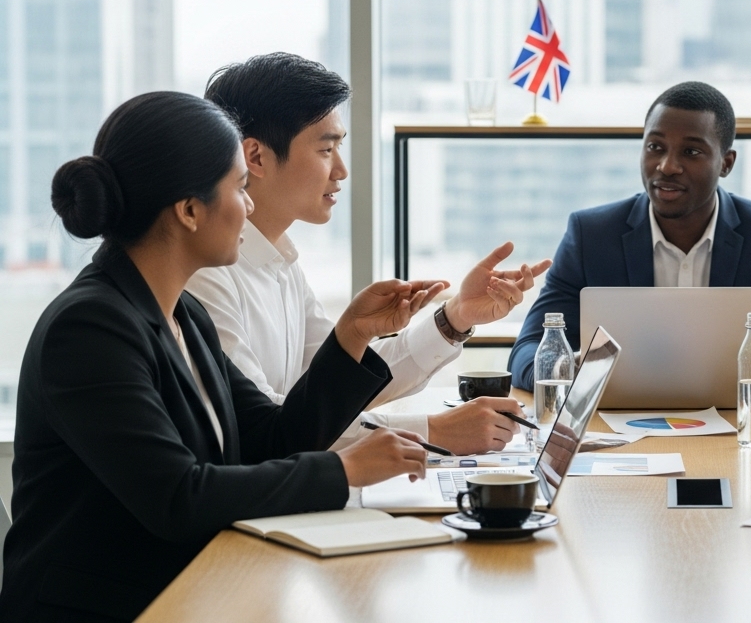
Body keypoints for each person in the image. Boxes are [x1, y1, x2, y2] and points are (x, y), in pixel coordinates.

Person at [0, 93, 438, 622]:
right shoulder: (89, 329)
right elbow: (178, 497)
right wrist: (342, 470)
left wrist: (352, 335)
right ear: (188, 210)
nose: (250, 206)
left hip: (196, 589)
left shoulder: (184, 314)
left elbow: (272, 438)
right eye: (239, 187)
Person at [188, 53, 549, 455]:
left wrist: (455, 318)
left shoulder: (280, 263)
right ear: (255, 157)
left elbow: (340, 388)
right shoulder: (206, 276)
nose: (341, 170)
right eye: (326, 150)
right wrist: (433, 432)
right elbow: (273, 429)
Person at [508, 81, 751, 387]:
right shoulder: (592, 235)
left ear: (726, 163)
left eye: (691, 151)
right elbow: (527, 352)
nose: (667, 166)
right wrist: (568, 369)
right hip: (618, 435)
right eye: (655, 147)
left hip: (735, 433)